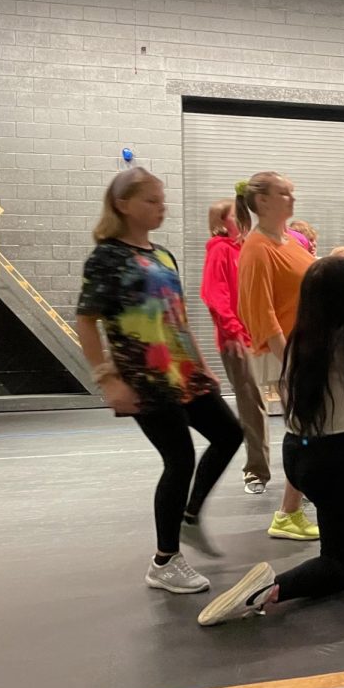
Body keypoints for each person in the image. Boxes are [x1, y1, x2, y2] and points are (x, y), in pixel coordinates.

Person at [197, 256, 344, 626]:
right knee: (338, 568)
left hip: (298, 459)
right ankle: (266, 590)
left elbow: (290, 403)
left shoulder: (298, 340)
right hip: (340, 459)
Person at [75, 167, 242, 594]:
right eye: (151, 199)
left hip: (184, 371)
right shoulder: (106, 258)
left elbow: (178, 319)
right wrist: (107, 379)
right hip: (144, 376)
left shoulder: (163, 255)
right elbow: (86, 321)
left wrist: (203, 366)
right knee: (180, 459)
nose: (161, 206)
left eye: (162, 199)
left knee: (229, 433)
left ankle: (189, 517)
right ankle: (165, 560)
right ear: (123, 204)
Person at [235, 172, 320, 542]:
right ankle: (292, 510)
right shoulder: (257, 247)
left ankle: (292, 508)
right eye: (284, 193)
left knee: (310, 426)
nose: (292, 198)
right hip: (288, 352)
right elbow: (260, 311)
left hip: (308, 346)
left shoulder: (289, 242)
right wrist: (290, 361)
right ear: (263, 202)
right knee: (306, 428)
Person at [201, 198, 271, 494]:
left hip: (264, 337)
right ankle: (256, 470)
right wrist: (237, 333)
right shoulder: (219, 251)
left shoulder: (249, 249)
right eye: (235, 216)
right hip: (239, 342)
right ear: (221, 221)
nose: (242, 220)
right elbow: (214, 297)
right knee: (252, 404)